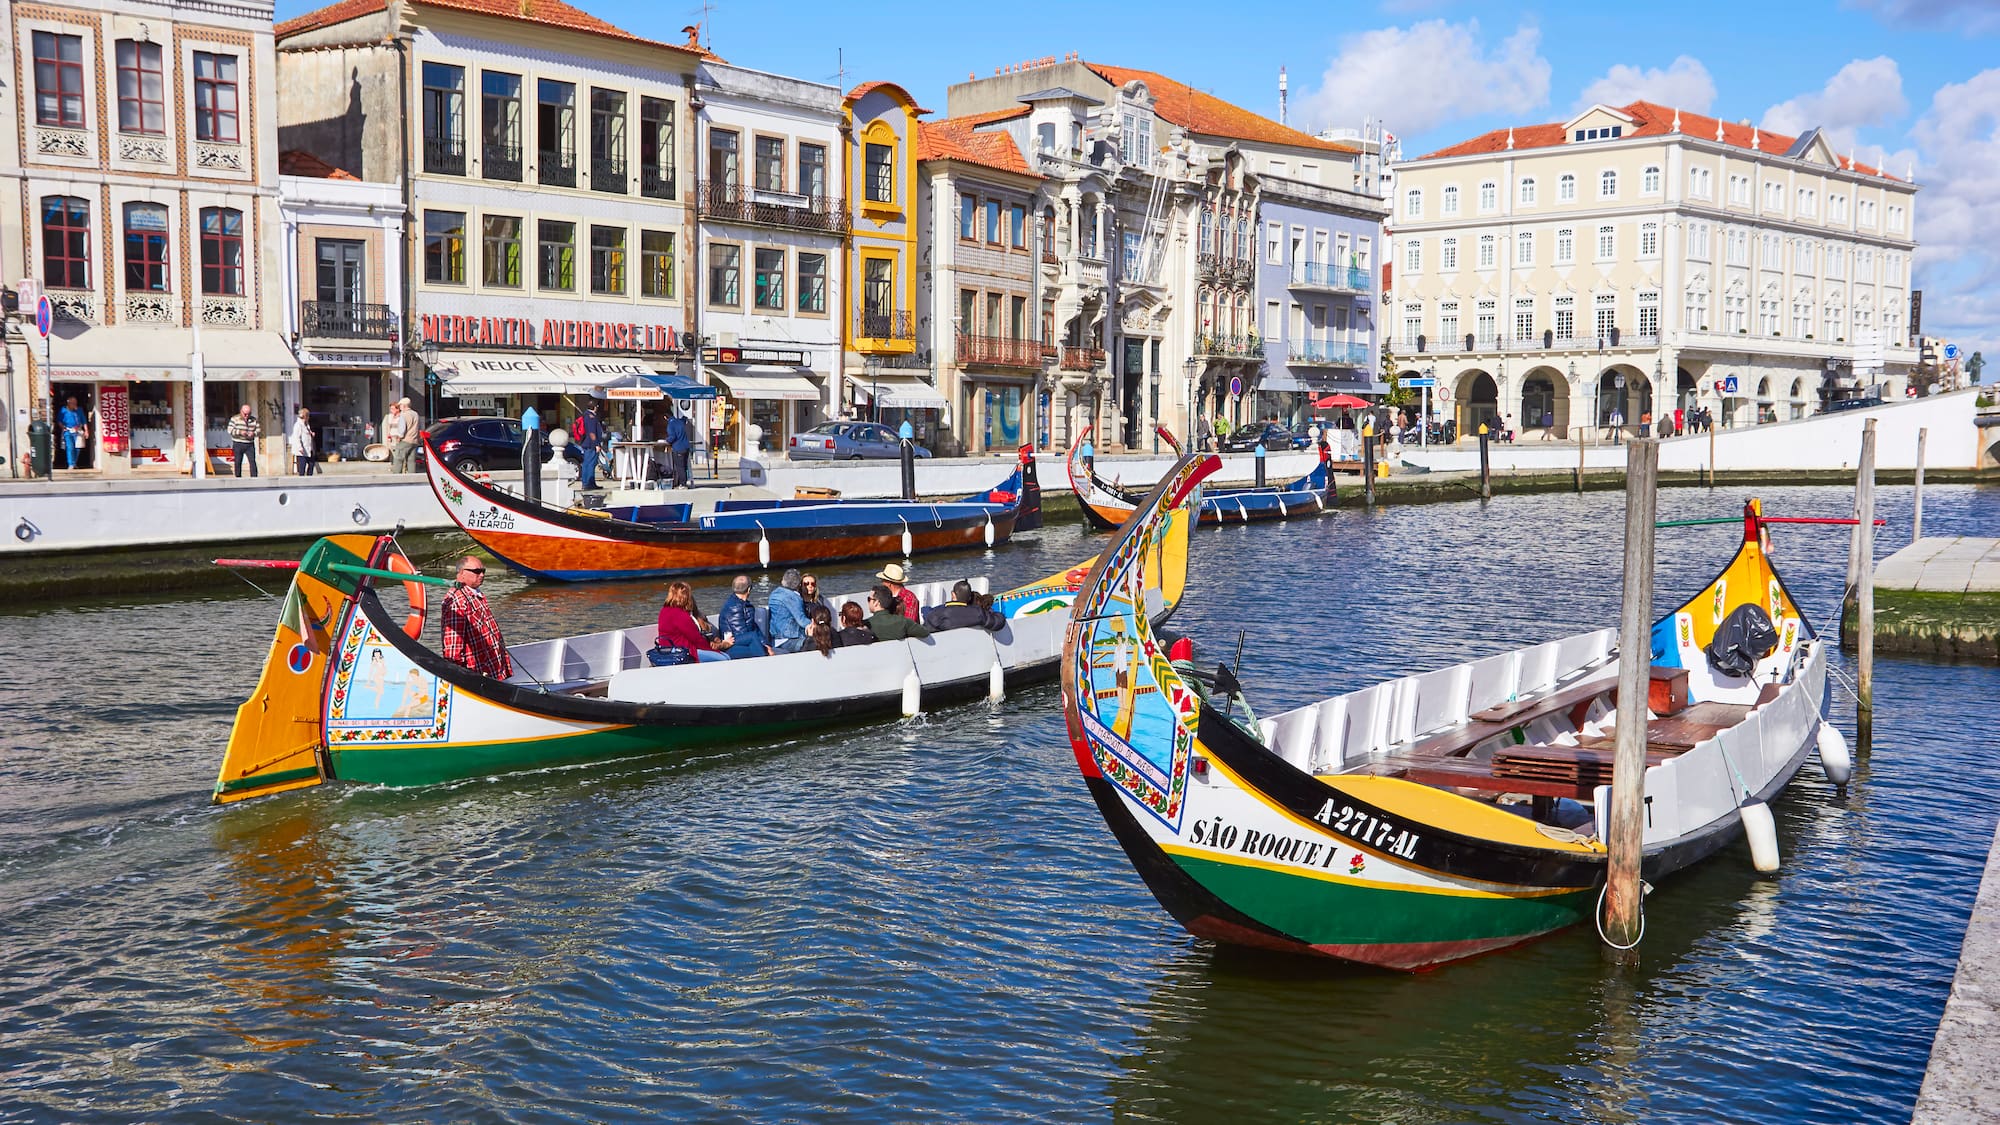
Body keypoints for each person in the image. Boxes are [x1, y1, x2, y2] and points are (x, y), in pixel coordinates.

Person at [440, 556, 513, 678]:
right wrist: (459, 674)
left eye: (483, 571)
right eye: (477, 571)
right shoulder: (457, 601)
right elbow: (453, 645)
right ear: (462, 573)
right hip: (477, 672)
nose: (482, 575)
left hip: (491, 669)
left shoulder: (475, 594)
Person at [655, 580, 732, 663]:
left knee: (724, 656)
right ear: (686, 597)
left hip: (668, 650)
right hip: (684, 652)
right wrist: (713, 650)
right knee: (725, 658)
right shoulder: (680, 615)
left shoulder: (664, 611)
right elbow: (696, 639)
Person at [718, 575, 769, 658]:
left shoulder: (743, 605)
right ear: (749, 589)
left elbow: (754, 628)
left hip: (744, 642)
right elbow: (742, 634)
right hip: (732, 646)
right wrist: (764, 648)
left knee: (761, 646)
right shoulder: (734, 607)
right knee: (760, 647)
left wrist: (765, 644)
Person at [923, 580, 1005, 632]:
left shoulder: (939, 614)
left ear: (953, 595)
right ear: (969, 597)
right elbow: (999, 621)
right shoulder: (978, 612)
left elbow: (926, 627)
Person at [865, 585, 932, 642]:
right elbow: (924, 633)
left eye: (869, 599)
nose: (868, 602)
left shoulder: (867, 624)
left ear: (877, 602)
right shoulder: (903, 622)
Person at [767, 569, 810, 654]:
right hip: (789, 640)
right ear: (798, 584)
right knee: (818, 642)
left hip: (775, 639)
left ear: (783, 580)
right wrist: (817, 625)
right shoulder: (793, 597)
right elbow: (801, 621)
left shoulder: (774, 593)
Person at [573, 403, 606, 490]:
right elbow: (592, 432)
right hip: (591, 444)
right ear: (594, 407)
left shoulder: (586, 415)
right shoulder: (591, 417)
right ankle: (589, 483)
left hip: (587, 443)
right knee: (590, 464)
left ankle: (588, 483)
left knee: (587, 463)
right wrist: (596, 444)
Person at [228, 403, 261, 477]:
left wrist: (254, 433)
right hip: (238, 443)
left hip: (249, 443)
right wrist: (240, 432)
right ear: (241, 412)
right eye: (245, 414)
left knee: (252, 461)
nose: (246, 416)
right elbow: (230, 430)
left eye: (248, 414)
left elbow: (258, 430)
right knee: (238, 461)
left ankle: (254, 477)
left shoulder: (254, 420)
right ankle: (238, 477)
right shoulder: (234, 419)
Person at [58, 395, 87, 469]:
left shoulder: (79, 410)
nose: (75, 404)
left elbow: (84, 421)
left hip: (78, 431)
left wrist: (86, 430)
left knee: (78, 447)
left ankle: (74, 462)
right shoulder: (63, 410)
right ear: (68, 403)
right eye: (73, 403)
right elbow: (59, 421)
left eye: (75, 402)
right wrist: (62, 427)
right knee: (70, 447)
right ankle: (71, 463)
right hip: (68, 431)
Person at [665, 410, 692, 488]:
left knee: (679, 467)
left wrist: (666, 440)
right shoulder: (680, 422)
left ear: (665, 418)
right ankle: (684, 482)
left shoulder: (670, 425)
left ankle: (682, 484)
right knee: (684, 466)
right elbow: (684, 419)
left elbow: (672, 437)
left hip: (678, 447)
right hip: (686, 447)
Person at [289, 407, 316, 477]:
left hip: (308, 448)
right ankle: (302, 479)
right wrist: (300, 447)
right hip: (301, 450)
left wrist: (311, 434)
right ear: (305, 416)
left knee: (311, 464)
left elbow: (306, 433)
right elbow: (297, 437)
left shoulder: (306, 425)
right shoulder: (298, 425)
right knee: (302, 466)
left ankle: (309, 478)